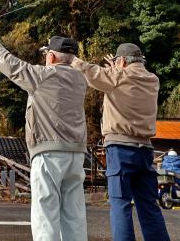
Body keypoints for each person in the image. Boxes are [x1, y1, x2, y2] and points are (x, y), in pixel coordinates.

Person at [0, 21, 88, 241]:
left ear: (51, 57)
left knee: (45, 213)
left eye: (47, 53)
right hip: (76, 154)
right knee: (74, 215)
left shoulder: (43, 77)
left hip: (49, 153)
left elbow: (12, 66)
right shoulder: (80, 80)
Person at [71, 43, 170, 241]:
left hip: (120, 148)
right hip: (145, 150)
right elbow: (120, 77)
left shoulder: (116, 77)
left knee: (120, 203)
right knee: (148, 205)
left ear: (122, 60)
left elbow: (91, 71)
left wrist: (72, 59)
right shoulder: (153, 80)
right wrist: (115, 67)